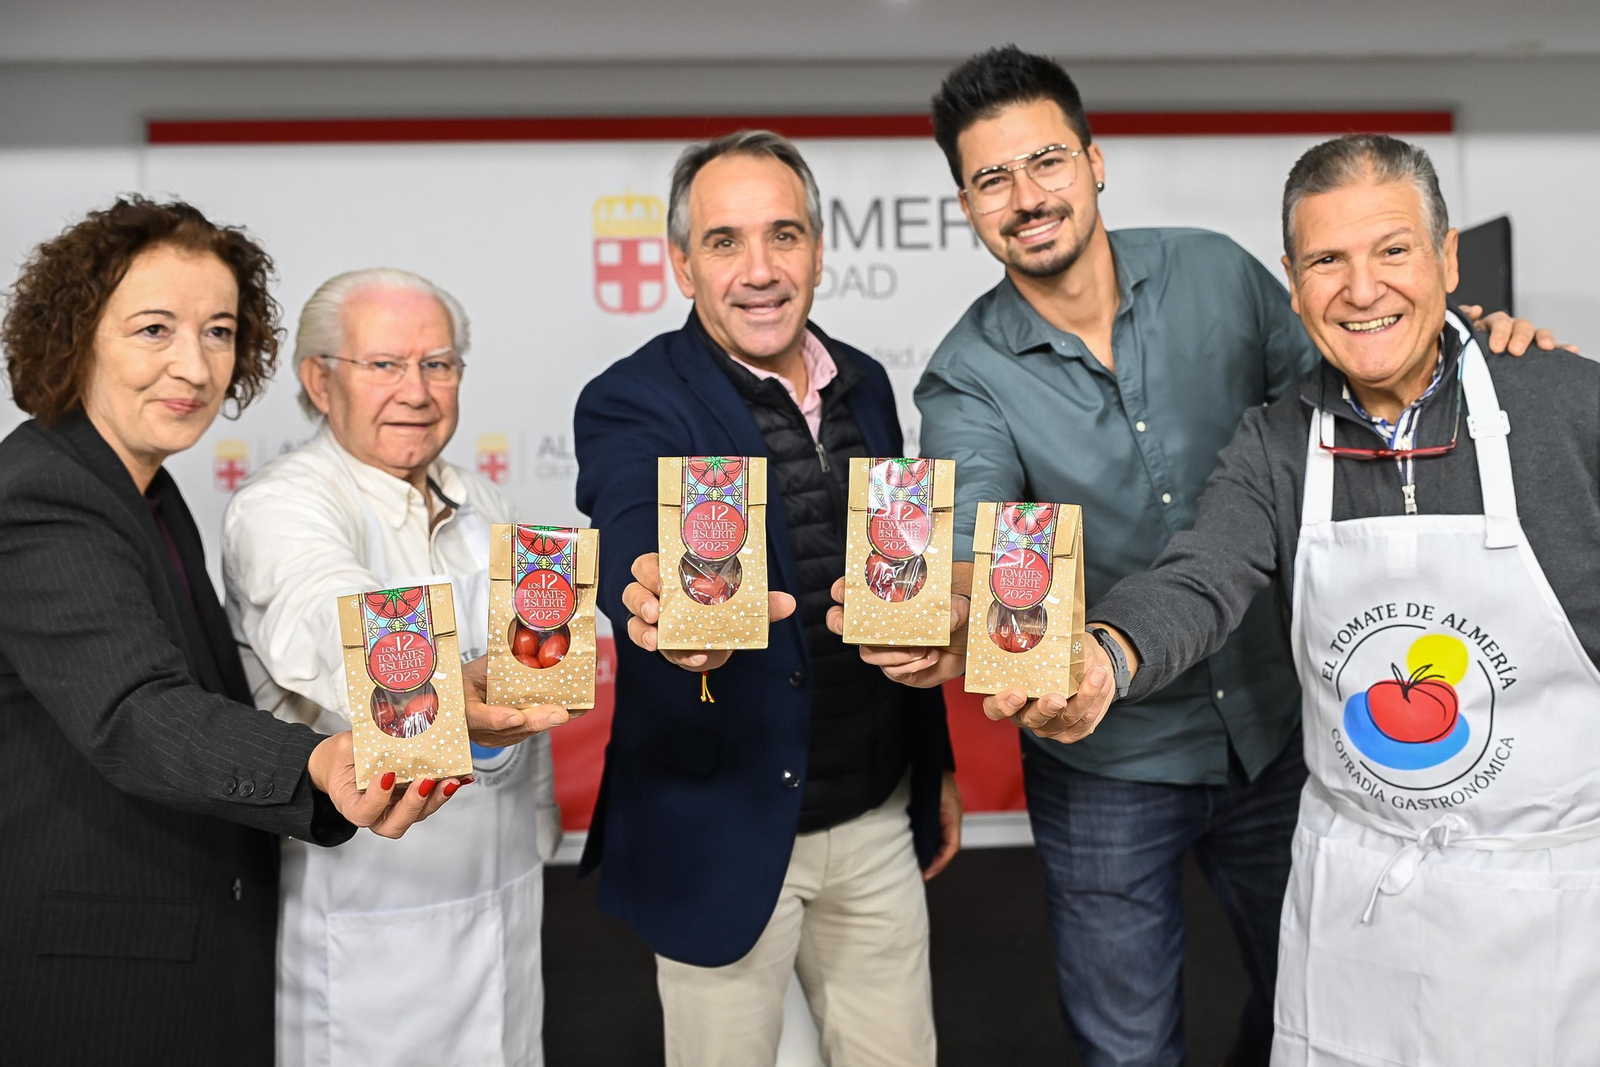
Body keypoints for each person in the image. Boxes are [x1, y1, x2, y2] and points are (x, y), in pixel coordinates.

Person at [843, 47, 1563, 1067]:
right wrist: (942, 622)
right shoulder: (966, 375)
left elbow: (1350, 379)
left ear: (1095, 162)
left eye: (1044, 161)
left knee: (1310, 1003)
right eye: (991, 178)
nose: (1025, 195)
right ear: (965, 203)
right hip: (1105, 752)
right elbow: (971, 542)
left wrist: (1470, 339)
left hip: (1283, 730)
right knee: (1127, 1042)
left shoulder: (1215, 272)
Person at [994, 132, 1600, 1067]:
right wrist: (1104, 655)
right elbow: (1201, 575)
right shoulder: (1278, 444)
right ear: (1292, 279)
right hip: (1360, 913)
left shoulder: (1569, 409)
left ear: (1447, 258)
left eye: (1393, 250)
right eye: (1327, 260)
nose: (1362, 290)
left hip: (1549, 914)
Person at [0, 198, 465, 1064]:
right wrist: (317, 762)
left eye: (219, 331)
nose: (193, 363)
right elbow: (136, 710)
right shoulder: (42, 494)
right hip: (98, 980)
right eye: (153, 329)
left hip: (188, 957)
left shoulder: (145, 489)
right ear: (77, 336)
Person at [573, 130, 956, 1067]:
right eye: (725, 241)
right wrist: (656, 612)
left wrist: (933, 758)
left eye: (783, 236)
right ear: (681, 265)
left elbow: (896, 580)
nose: (759, 270)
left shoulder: (864, 380)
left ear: (819, 253)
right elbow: (634, 531)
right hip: (724, 821)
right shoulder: (629, 400)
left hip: (872, 809)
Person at [223, 268, 567, 1067]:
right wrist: (455, 687)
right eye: (383, 365)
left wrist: (541, 824)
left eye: (437, 364)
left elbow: (534, 684)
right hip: (368, 907)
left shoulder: (486, 499)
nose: (415, 389)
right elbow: (325, 611)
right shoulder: (282, 504)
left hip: (506, 889)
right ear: (319, 379)